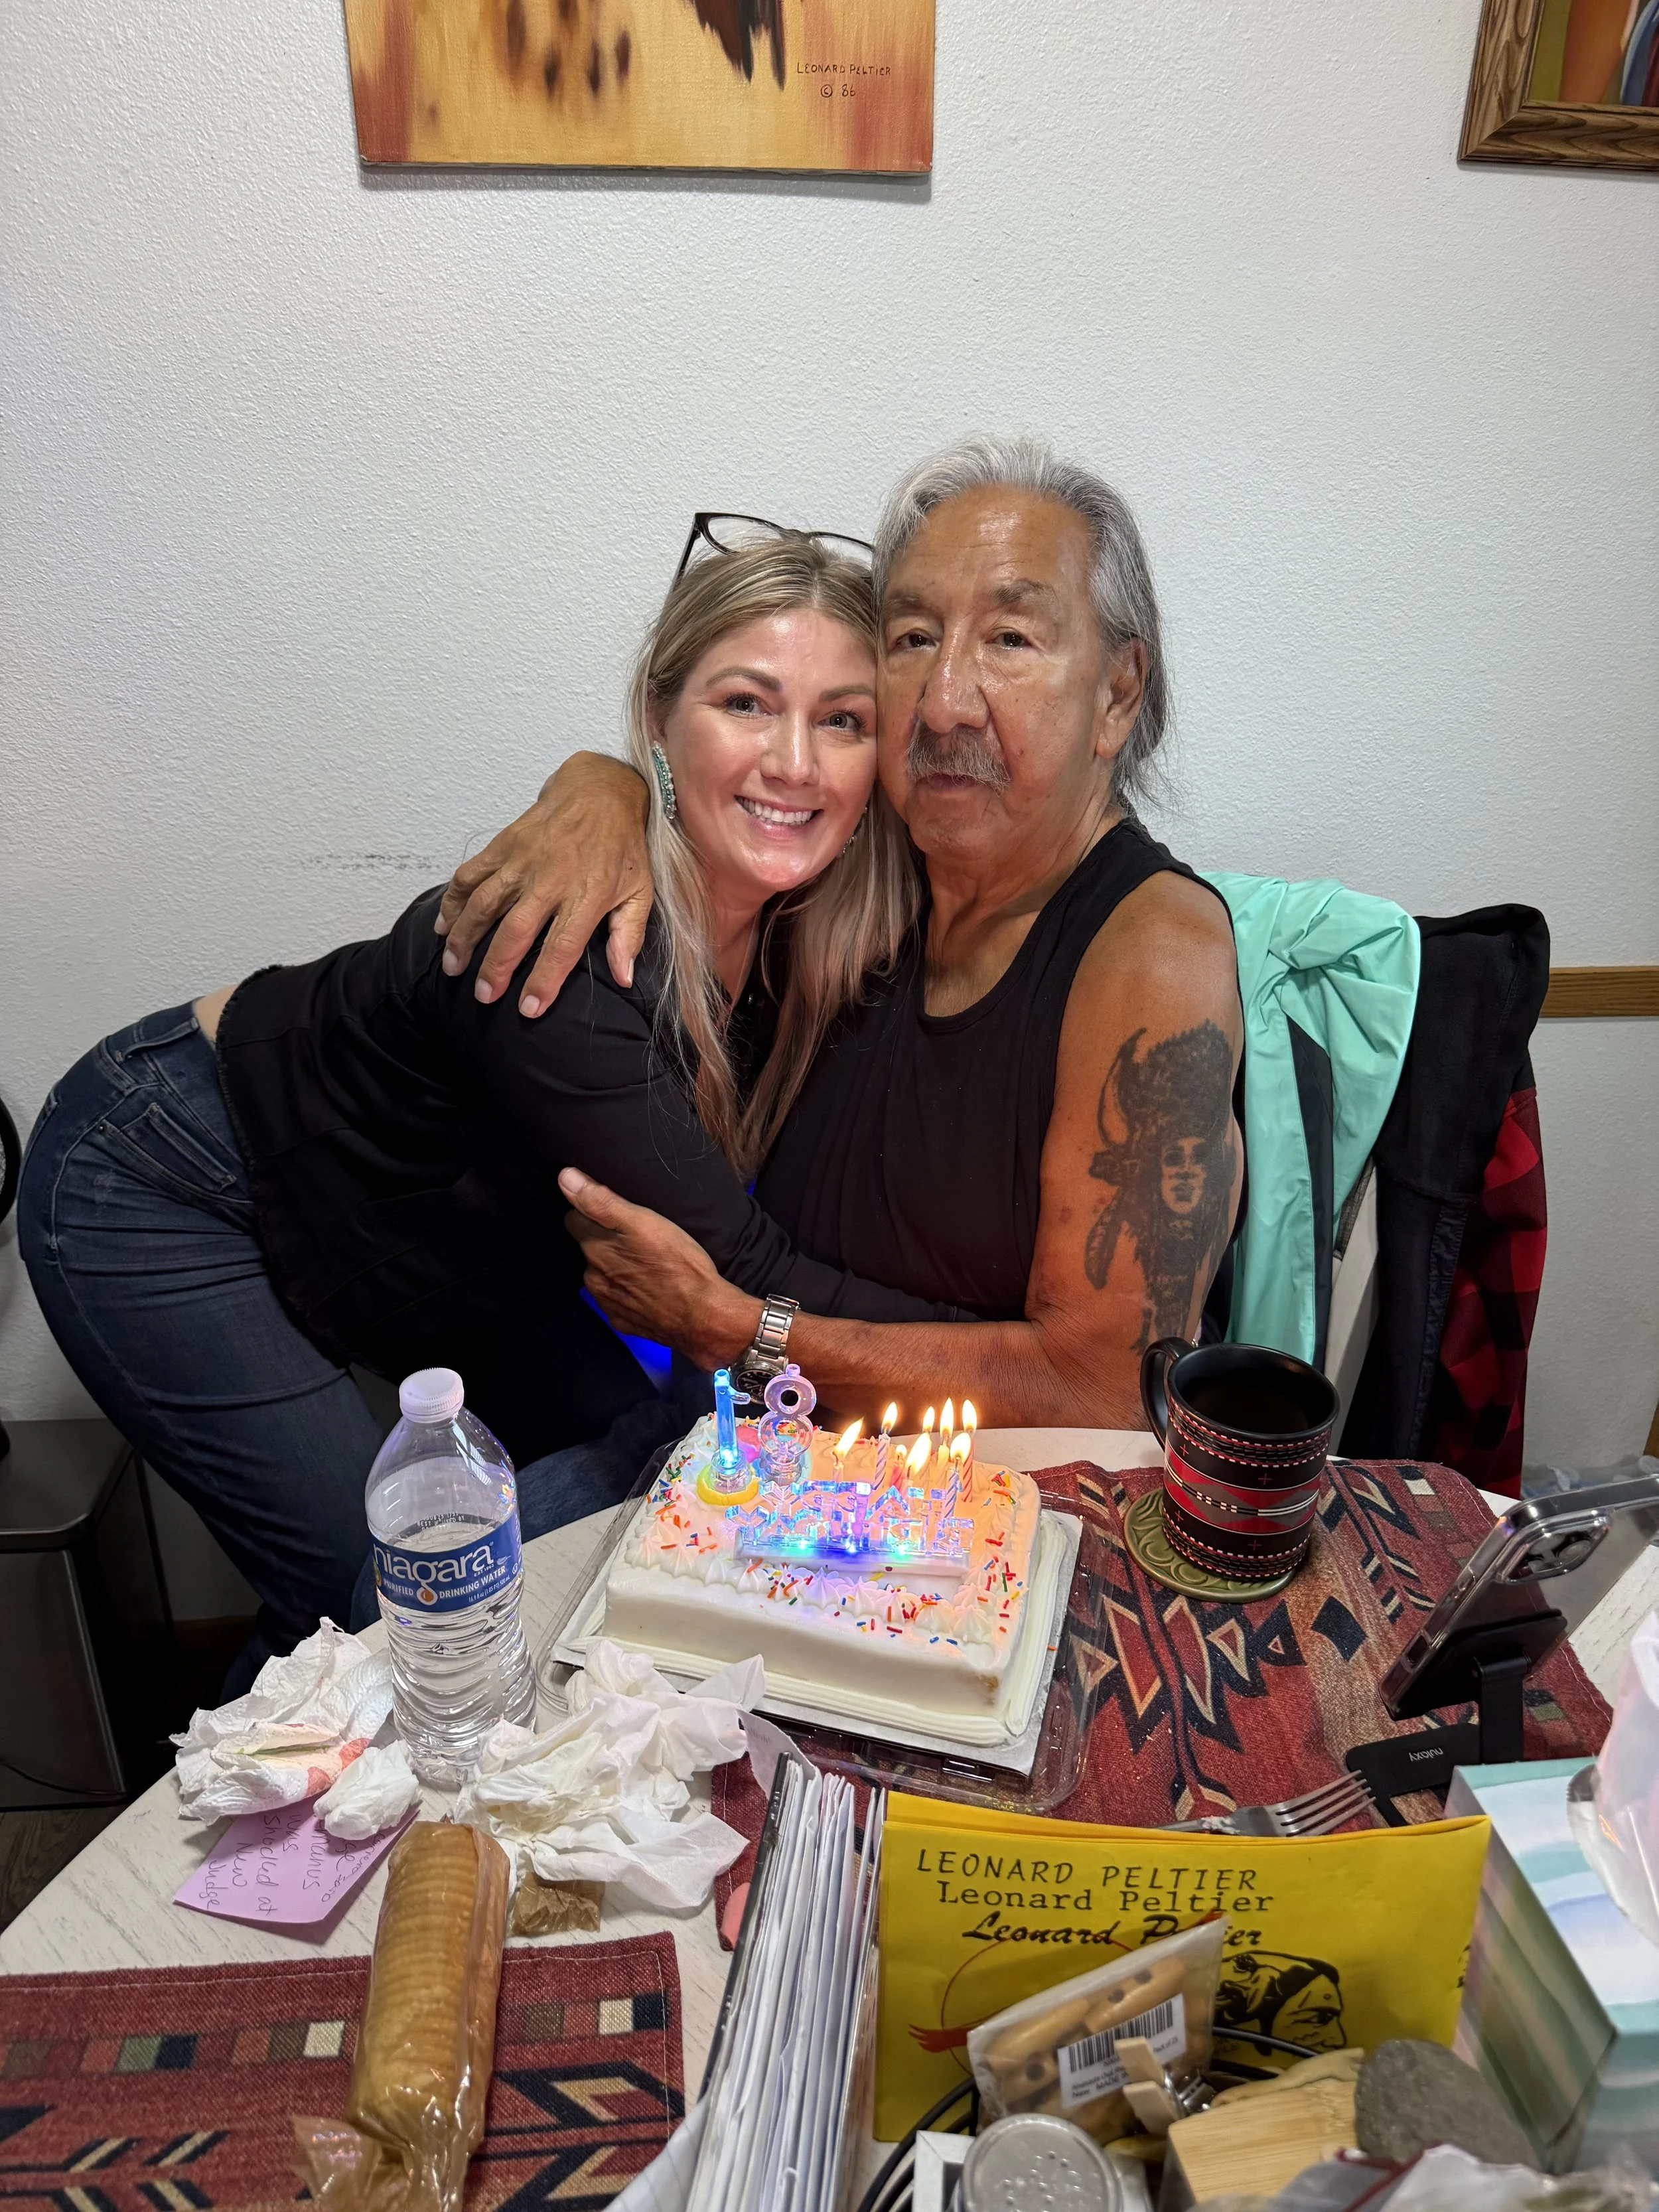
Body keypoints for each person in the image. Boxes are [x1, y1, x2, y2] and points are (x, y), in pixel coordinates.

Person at [19, 534, 966, 1685]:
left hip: (434, 1238)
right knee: (379, 1609)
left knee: (665, 1475)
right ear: (660, 719)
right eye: (746, 704)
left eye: (844, 722)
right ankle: (238, 1849)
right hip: (161, 1177)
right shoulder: (574, 958)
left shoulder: (796, 930)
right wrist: (1014, 1365)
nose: (796, 763)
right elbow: (747, 1272)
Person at [437, 436, 1245, 1443]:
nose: (945, 701)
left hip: (971, 1518)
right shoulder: (864, 869)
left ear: (1118, 694)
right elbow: (729, 786)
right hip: (746, 1451)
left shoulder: (1151, 950)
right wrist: (606, 785)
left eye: (1010, 641)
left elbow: (1100, 1394)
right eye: (911, 638)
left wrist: (735, 1330)